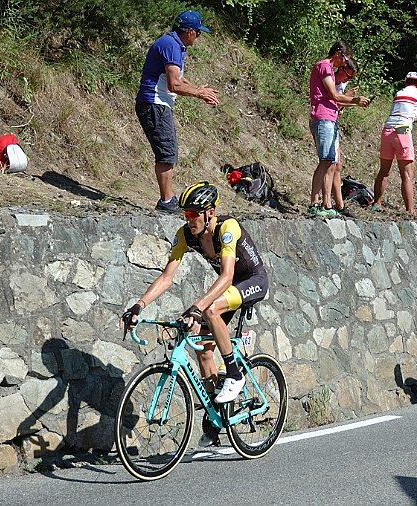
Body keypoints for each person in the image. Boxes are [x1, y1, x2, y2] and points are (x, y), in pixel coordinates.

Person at [119, 182, 269, 445]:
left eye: (192, 214)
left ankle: (234, 375)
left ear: (209, 212)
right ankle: (214, 420)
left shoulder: (227, 228)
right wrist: (138, 305)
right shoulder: (186, 235)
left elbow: (227, 276)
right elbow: (167, 277)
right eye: (185, 214)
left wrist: (197, 307)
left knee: (210, 310)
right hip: (229, 288)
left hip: (252, 280)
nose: (188, 220)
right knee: (202, 347)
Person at [136, 11, 220, 214]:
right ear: (189, 31)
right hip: (154, 104)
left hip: (157, 104)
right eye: (198, 33)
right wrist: (199, 94)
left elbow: (178, 79)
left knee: (168, 151)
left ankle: (167, 199)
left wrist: (199, 89)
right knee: (166, 153)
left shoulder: (174, 44)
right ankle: (166, 201)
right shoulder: (171, 45)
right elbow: (174, 85)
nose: (198, 37)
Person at [309, 41, 370, 217]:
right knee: (325, 161)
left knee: (330, 162)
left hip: (330, 119)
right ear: (338, 53)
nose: (344, 63)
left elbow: (335, 99)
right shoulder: (324, 66)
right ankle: (314, 202)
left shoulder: (327, 68)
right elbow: (334, 95)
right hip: (323, 117)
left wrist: (354, 102)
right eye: (344, 59)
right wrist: (355, 100)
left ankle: (327, 205)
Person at [372, 72, 417, 214]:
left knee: (384, 172)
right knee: (407, 175)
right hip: (403, 132)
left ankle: (377, 203)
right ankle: (410, 210)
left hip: (387, 130)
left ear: (406, 82)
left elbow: (410, 117)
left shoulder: (399, 94)